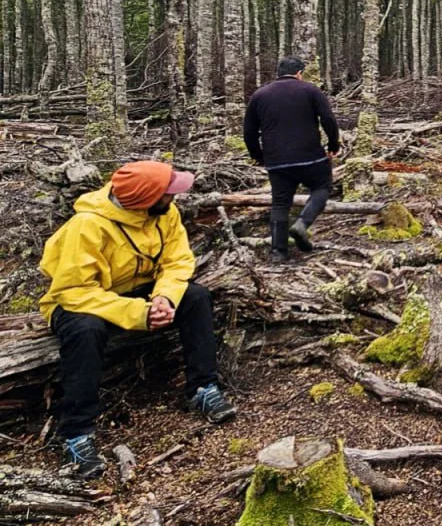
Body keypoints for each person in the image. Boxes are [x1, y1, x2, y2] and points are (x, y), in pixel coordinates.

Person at [39, 161, 236, 478]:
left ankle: (203, 389)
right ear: (145, 199)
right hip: (80, 298)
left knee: (196, 297)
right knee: (86, 331)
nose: (174, 197)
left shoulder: (164, 213)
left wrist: (164, 298)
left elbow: (178, 261)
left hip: (138, 292)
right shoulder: (87, 226)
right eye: (167, 192)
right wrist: (139, 314)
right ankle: (76, 433)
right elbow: (73, 290)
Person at [243, 56, 341, 264]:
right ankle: (302, 224)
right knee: (322, 188)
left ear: (278, 73)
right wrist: (333, 145)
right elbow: (328, 119)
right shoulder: (310, 90)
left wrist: (258, 156)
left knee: (280, 203)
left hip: (277, 161)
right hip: (310, 157)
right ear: (299, 73)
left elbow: (249, 132)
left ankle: (278, 252)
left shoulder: (259, 95)